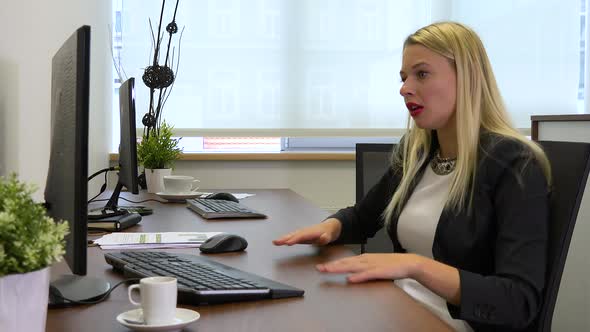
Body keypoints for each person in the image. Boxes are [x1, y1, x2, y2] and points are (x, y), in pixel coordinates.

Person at [273, 21, 551, 332]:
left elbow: (518, 301)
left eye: (421, 74)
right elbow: (363, 218)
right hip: (399, 309)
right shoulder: (416, 152)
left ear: (468, 78)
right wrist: (330, 227)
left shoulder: (514, 163)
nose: (405, 88)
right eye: (404, 78)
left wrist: (415, 266)